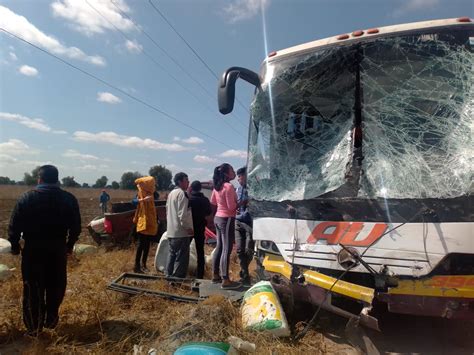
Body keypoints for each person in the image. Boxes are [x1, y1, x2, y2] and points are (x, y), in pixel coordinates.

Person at [8, 165, 81, 335]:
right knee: (56, 284)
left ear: (39, 179)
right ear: (57, 180)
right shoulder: (68, 199)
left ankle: (34, 327)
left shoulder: (26, 198)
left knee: (32, 287)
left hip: (33, 250)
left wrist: (14, 247)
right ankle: (51, 318)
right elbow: (76, 227)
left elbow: (14, 227)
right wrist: (69, 246)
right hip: (57, 249)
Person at [210, 163, 241, 289]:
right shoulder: (228, 187)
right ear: (226, 173)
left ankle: (215, 275)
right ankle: (225, 279)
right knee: (226, 249)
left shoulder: (217, 187)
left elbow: (213, 201)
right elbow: (231, 207)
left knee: (219, 247)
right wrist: (242, 202)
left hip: (218, 217)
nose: (234, 173)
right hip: (226, 219)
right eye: (232, 170)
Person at [166, 172, 193, 279]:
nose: (188, 182)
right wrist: (188, 228)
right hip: (181, 232)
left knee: (172, 255)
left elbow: (167, 211)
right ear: (180, 182)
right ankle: (177, 279)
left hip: (172, 231)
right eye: (186, 180)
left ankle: (168, 276)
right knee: (181, 258)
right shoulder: (182, 194)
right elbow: (183, 215)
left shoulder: (171, 193)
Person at [133, 176, 158, 273]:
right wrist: (143, 200)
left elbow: (154, 206)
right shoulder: (140, 193)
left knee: (147, 245)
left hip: (150, 221)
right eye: (152, 184)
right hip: (142, 221)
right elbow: (133, 202)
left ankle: (144, 264)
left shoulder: (152, 193)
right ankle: (136, 265)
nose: (153, 186)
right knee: (141, 244)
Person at [188, 180, 211, 279]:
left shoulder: (188, 199)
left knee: (185, 250)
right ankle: (200, 275)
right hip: (200, 227)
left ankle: (183, 271)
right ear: (200, 188)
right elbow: (208, 212)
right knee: (200, 252)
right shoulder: (205, 200)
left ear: (191, 188)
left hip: (188, 228)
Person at [235, 167, 254, 285]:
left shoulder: (253, 191)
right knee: (239, 250)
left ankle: (244, 271)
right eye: (237, 177)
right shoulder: (237, 190)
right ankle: (245, 275)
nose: (238, 179)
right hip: (238, 223)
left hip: (250, 223)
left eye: (240, 176)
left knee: (249, 250)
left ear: (246, 176)